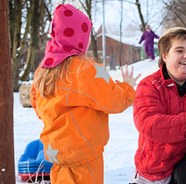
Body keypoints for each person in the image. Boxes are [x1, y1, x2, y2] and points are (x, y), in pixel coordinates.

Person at [30, 4, 140, 183]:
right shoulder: (87, 68)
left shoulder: (43, 70)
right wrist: (127, 87)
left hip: (56, 154)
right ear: (79, 37)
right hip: (84, 156)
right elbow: (113, 100)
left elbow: (38, 106)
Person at [132, 27, 186, 184]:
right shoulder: (149, 85)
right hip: (157, 171)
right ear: (165, 55)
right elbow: (151, 126)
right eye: (179, 50)